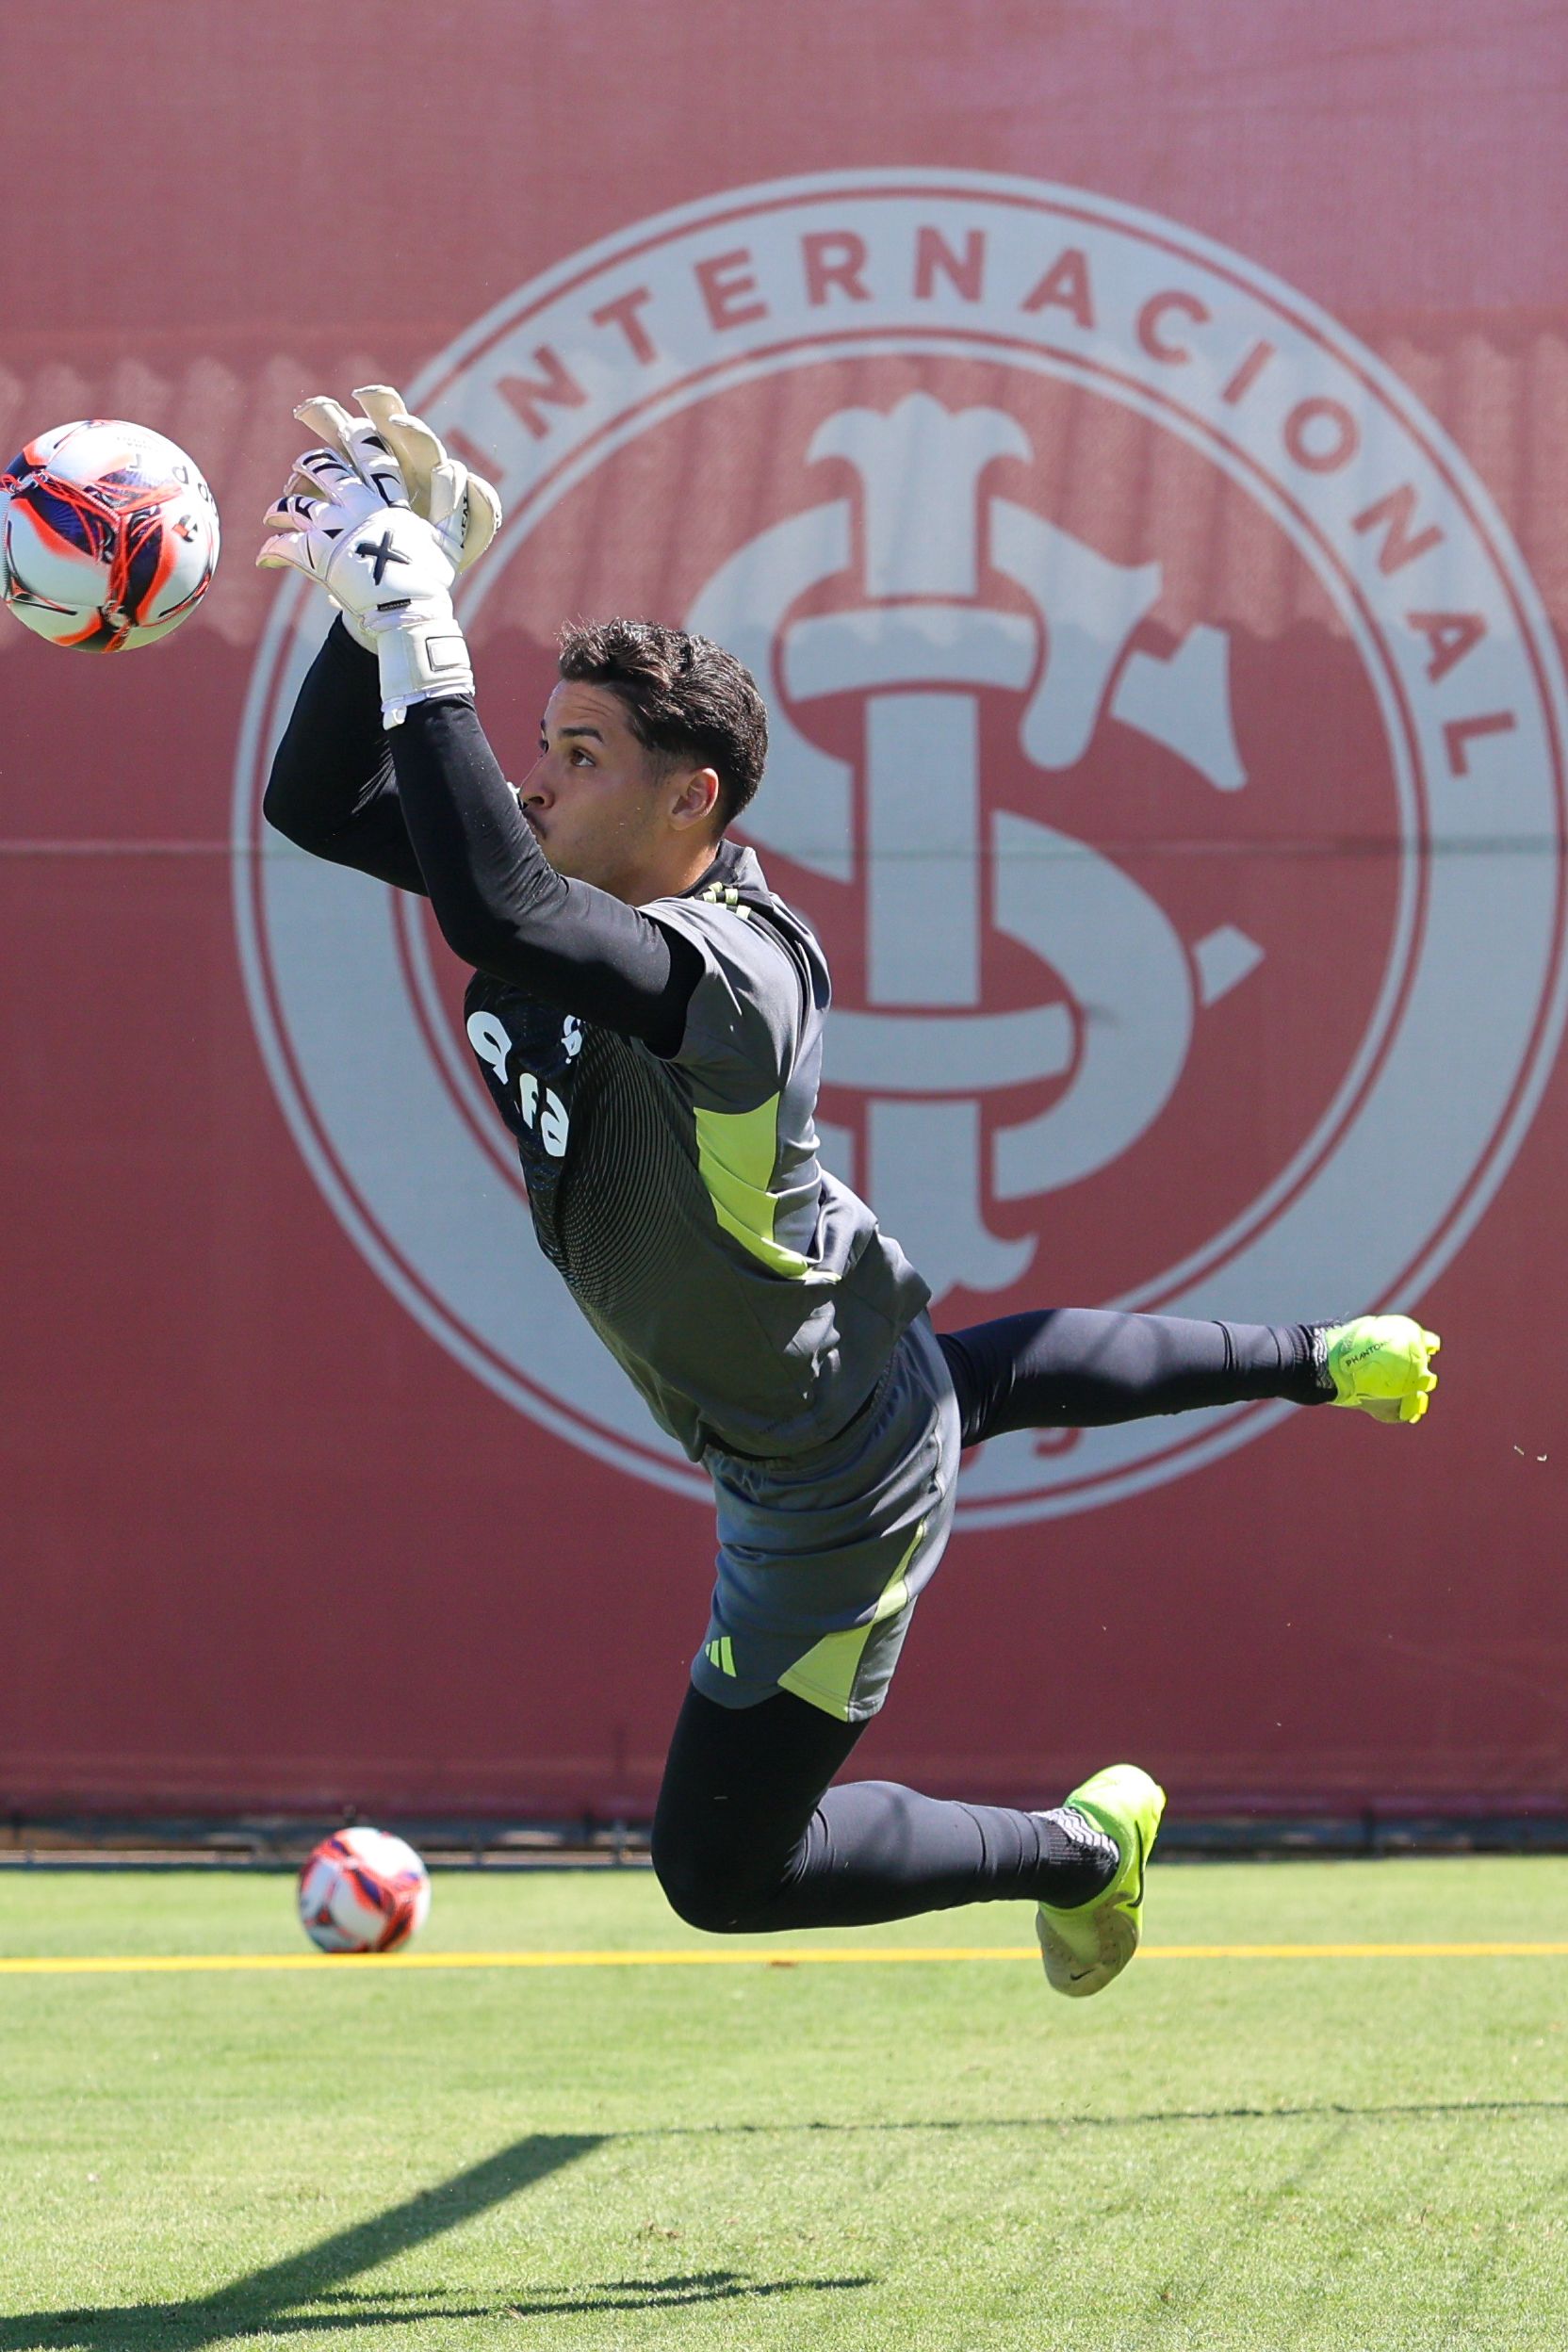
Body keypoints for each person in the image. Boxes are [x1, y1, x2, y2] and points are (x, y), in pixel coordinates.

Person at [259, 388, 1440, 1999]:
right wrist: (376, 616)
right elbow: (319, 808)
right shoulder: (575, 876)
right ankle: (1319, 1356)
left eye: (579, 757)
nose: (534, 782)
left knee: (721, 1876)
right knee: (977, 1379)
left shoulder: (734, 973)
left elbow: (502, 911)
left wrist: (416, 616)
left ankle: (1077, 1850)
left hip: (825, 1484)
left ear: (694, 802)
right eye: (539, 749)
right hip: (828, 1353)